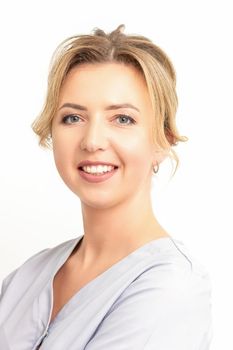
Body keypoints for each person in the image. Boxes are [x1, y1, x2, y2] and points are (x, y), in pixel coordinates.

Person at [0, 24, 212, 349]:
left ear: (163, 140)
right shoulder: (24, 280)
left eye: (122, 119)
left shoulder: (171, 287)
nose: (92, 141)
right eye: (73, 118)